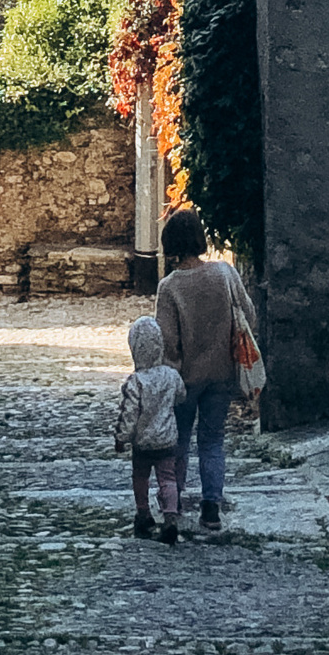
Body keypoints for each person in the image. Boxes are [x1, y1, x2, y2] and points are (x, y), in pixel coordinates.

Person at [155, 205, 255, 535]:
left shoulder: (169, 288)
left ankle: (175, 501)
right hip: (223, 373)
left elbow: (167, 341)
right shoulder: (225, 274)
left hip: (185, 378)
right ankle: (211, 507)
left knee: (179, 441)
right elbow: (249, 315)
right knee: (213, 441)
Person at [114, 316, 182, 544]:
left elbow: (129, 413)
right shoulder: (171, 376)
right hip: (167, 440)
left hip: (143, 442)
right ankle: (171, 517)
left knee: (141, 477)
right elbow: (181, 395)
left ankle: (143, 514)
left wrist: (122, 438)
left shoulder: (136, 382)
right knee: (168, 478)